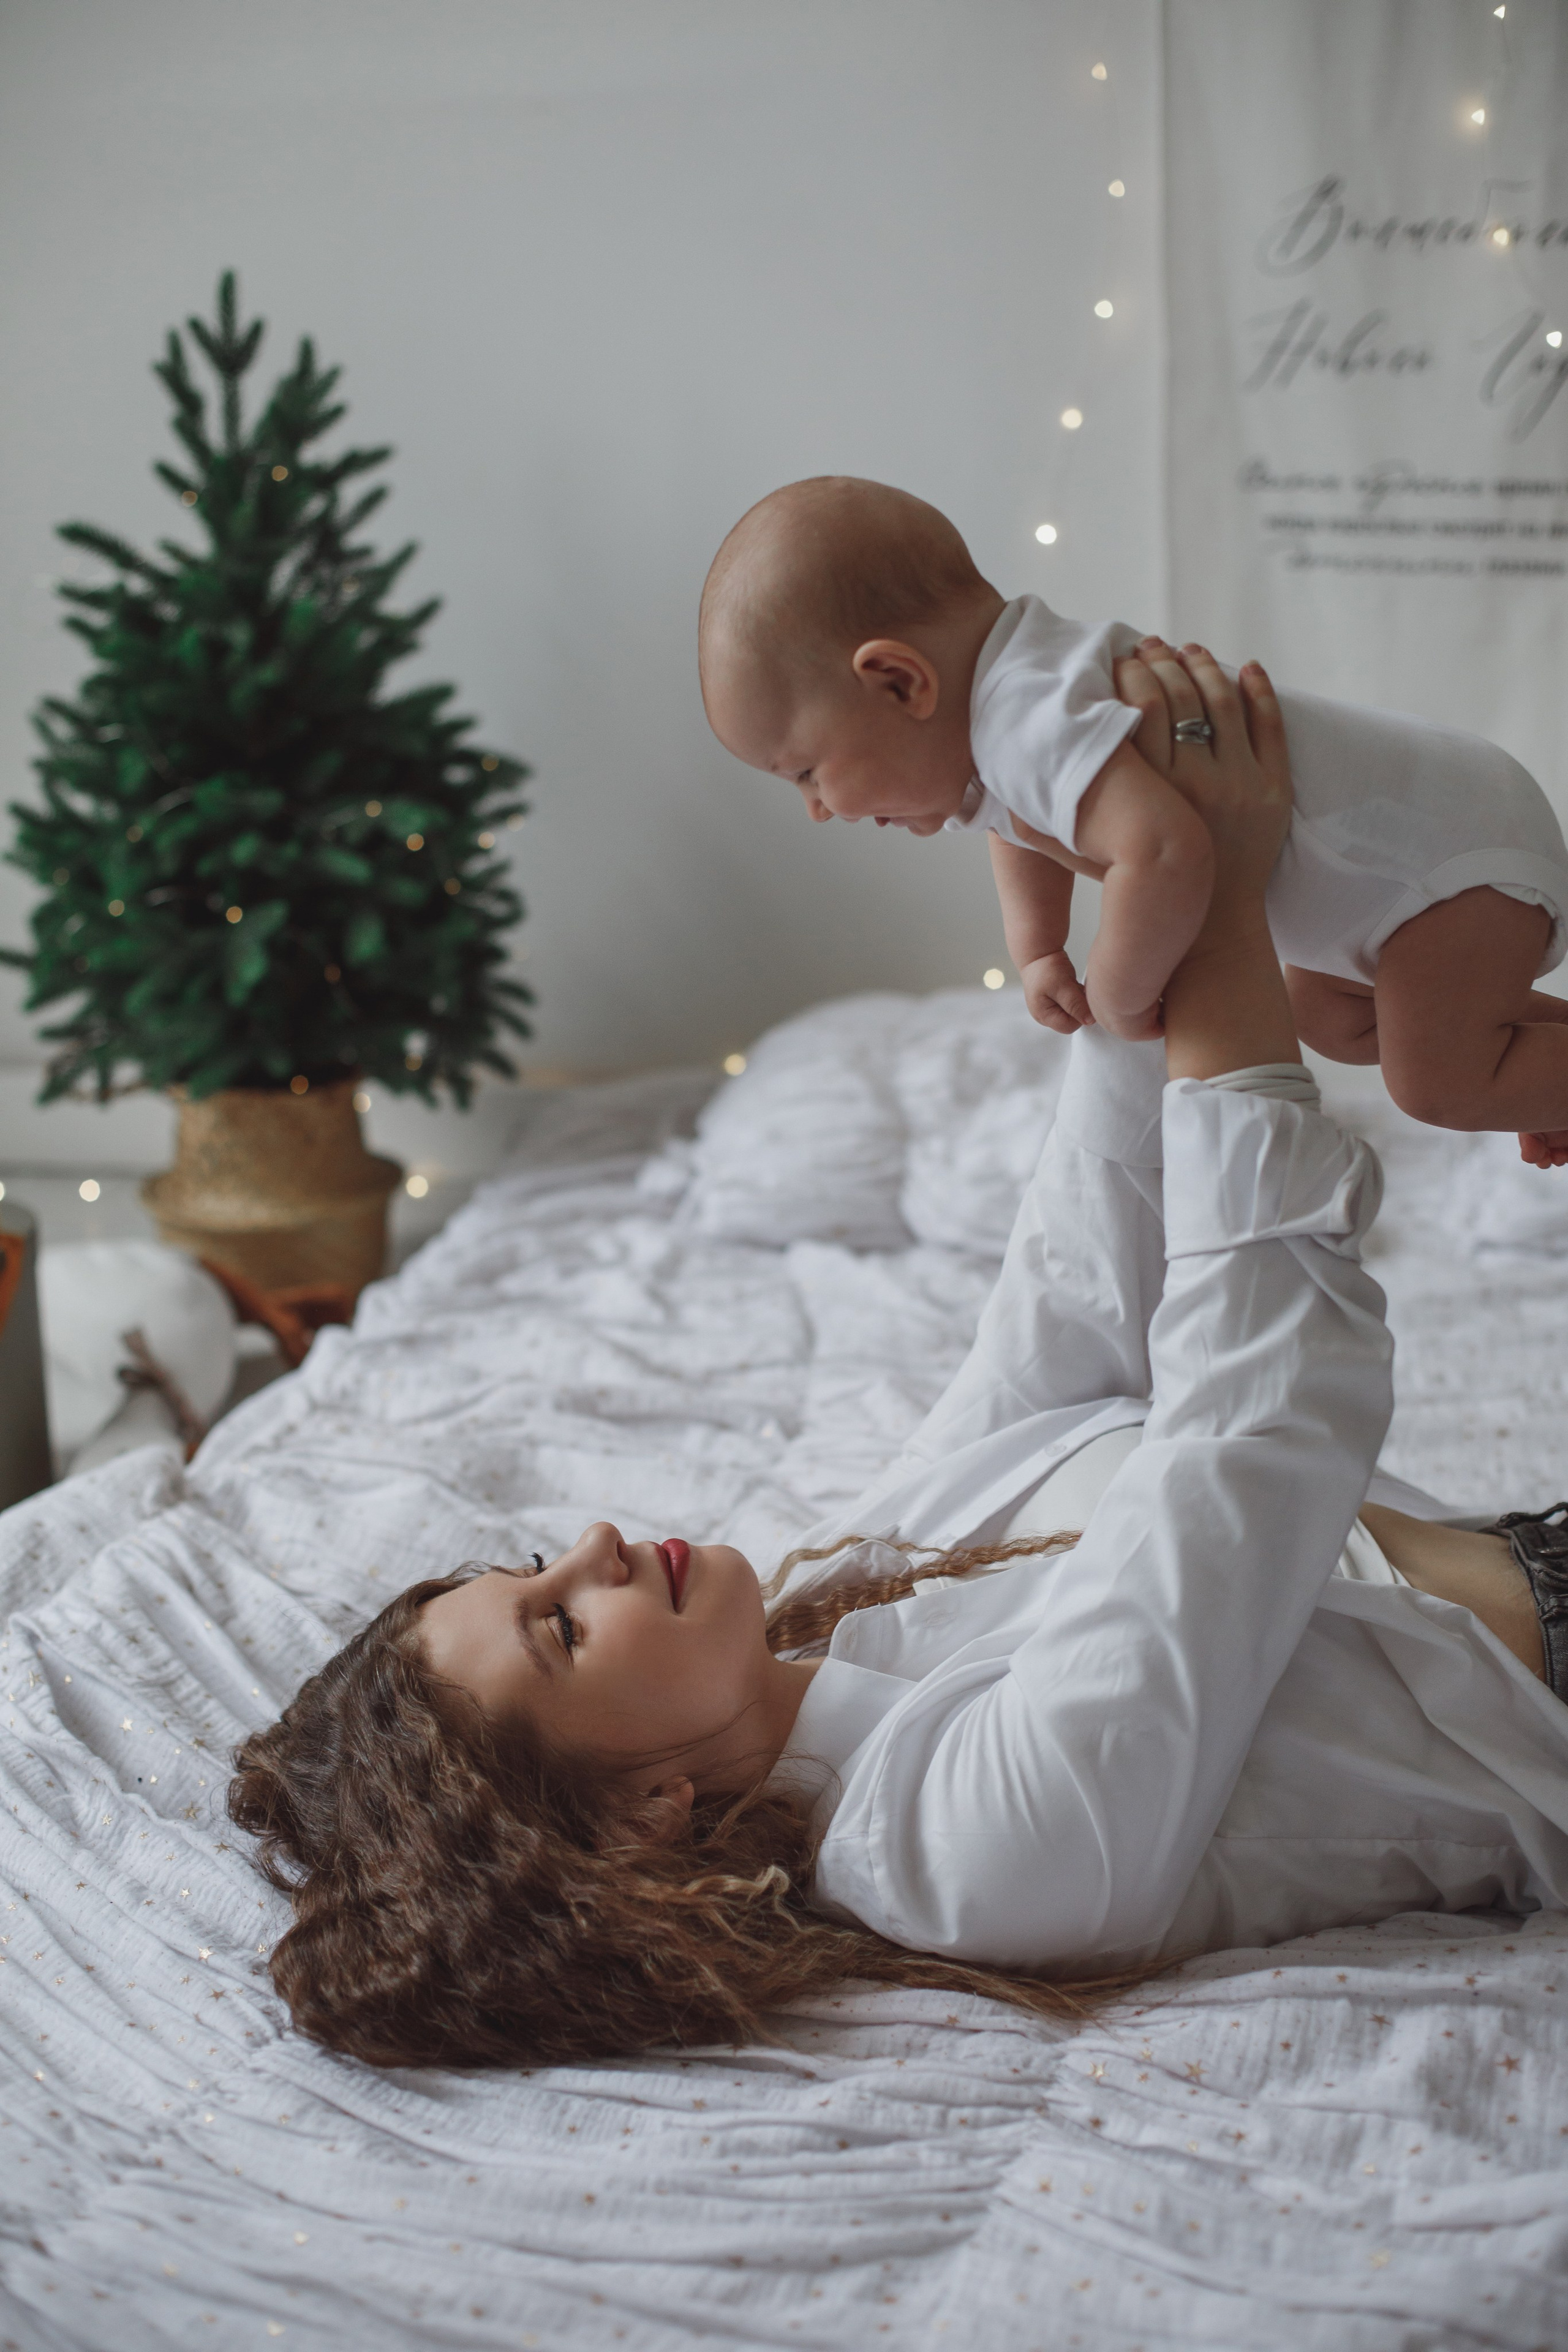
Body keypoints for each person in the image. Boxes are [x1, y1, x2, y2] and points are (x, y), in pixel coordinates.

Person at [230, 650, 1568, 2070]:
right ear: (638, 1817)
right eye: (560, 1629)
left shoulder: (829, 1602)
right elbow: (1253, 1428)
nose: (596, 1543)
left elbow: (1062, 1332)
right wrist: (1220, 918)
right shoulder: (960, 1854)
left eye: (536, 1568)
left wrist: (1148, 899)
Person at [698, 475, 1568, 1168]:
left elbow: (1163, 850)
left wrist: (1120, 989)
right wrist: (1038, 944)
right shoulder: (1006, 722)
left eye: (807, 773)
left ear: (897, 682)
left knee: (1439, 1084)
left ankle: (1502, 1066)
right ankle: (1532, 1063)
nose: (816, 811)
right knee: (1334, 1020)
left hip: (1447, 861)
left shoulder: (1027, 714)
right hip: (1417, 872)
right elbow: (1024, 821)